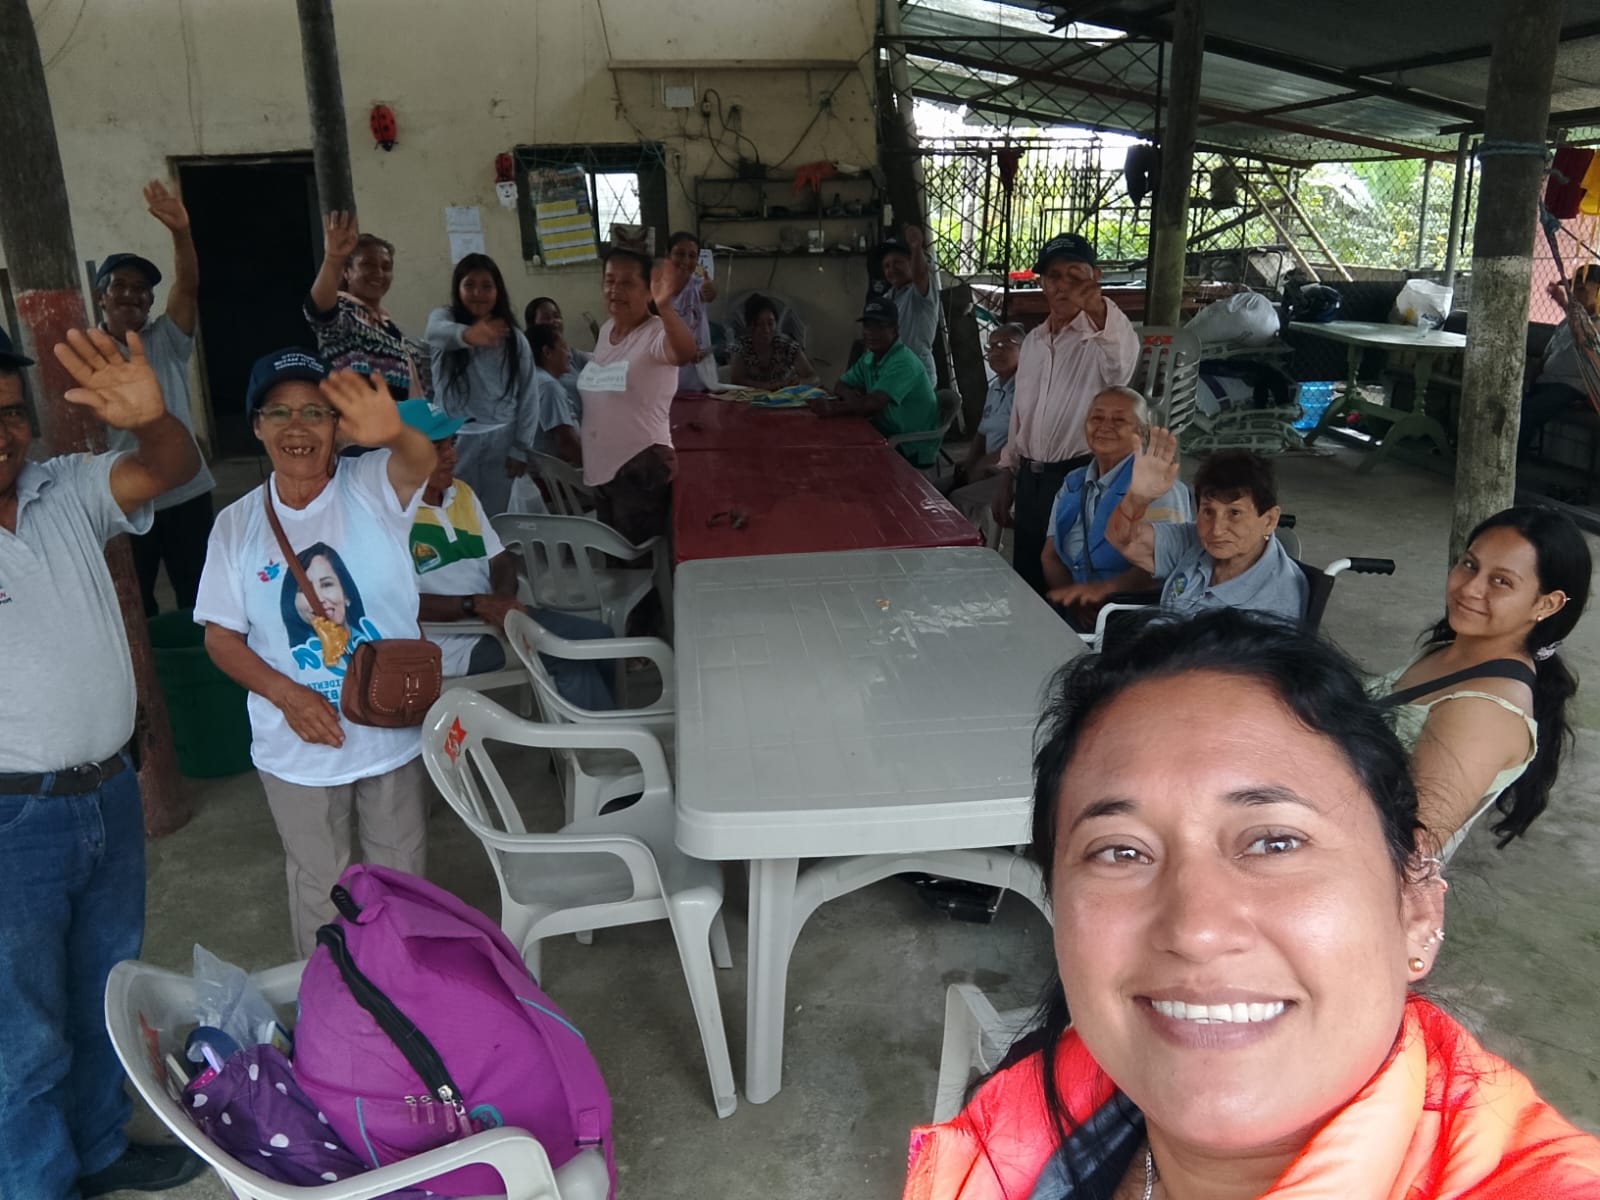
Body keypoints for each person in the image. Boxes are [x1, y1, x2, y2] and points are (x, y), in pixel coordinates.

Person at [903, 609, 1600, 1200]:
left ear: (1415, 907)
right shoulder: (1018, 1123)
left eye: (1273, 842)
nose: (1196, 929)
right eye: (1121, 851)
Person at [0, 325, 204, 1198]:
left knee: (101, 992)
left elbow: (169, 468)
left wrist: (153, 419)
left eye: (11, 412)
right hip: (12, 819)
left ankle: (95, 1148)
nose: (2, 434)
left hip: (107, 795)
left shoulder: (65, 488)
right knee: (19, 1030)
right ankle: (38, 1184)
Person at [195, 349, 437, 958]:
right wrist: (288, 696)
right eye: (278, 412)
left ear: (337, 427)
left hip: (389, 734)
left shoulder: (371, 485)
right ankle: (328, 995)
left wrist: (396, 431)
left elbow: (419, 459)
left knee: (401, 880)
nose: (296, 427)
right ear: (257, 427)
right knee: (318, 889)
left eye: (314, 412)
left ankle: (401, 992)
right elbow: (220, 636)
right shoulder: (236, 525)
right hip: (295, 748)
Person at [1371, 505, 1590, 860]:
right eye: (1470, 565)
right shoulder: (1447, 649)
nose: (1470, 588)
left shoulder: (1484, 712)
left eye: (1501, 581)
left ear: (1547, 604)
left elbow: (1409, 848)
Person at [399, 400, 615, 711]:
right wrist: (477, 605)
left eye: (452, 443)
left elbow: (499, 559)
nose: (452, 455)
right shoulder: (391, 516)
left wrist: (502, 602)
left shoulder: (461, 493)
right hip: (452, 643)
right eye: (437, 447)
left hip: (494, 620)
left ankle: (604, 729)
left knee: (600, 638)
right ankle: (597, 738)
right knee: (572, 656)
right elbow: (402, 605)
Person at [993, 233, 1140, 596]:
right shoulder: (1033, 342)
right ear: (1042, 284)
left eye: (1075, 275)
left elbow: (1121, 367)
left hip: (1076, 478)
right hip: (1030, 478)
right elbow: (1020, 415)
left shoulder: (1105, 336)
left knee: (1068, 575)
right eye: (1054, 277)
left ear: (1096, 278)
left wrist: (1098, 308)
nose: (1064, 286)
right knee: (1027, 577)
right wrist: (1007, 475)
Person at [98, 180, 217, 617]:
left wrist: (181, 233)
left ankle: (204, 658)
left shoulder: (167, 338)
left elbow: (187, 287)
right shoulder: (87, 350)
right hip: (125, 498)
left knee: (201, 598)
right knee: (134, 604)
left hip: (186, 493)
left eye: (142, 288)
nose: (131, 293)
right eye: (120, 285)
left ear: (151, 301)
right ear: (101, 296)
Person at [1106, 430, 1308, 622]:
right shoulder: (1194, 542)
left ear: (1270, 520)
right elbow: (1122, 538)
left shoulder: (1275, 601)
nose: (1216, 530)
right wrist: (1137, 499)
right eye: (1208, 511)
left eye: (1234, 513)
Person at [1042, 387, 1192, 627]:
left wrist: (1101, 593)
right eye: (1096, 418)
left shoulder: (1159, 487)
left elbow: (1164, 564)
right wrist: (1075, 601)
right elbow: (1050, 556)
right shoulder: (1073, 482)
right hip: (1074, 612)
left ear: (1142, 431)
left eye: (1119, 420)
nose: (1105, 426)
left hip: (1133, 618)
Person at [578, 249, 698, 543]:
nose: (615, 290)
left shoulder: (655, 333)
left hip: (640, 469)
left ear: (648, 291)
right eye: (609, 281)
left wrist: (665, 307)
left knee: (637, 560)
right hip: (604, 470)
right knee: (614, 556)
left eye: (627, 283)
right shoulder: (607, 330)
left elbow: (685, 352)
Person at [426, 253, 538, 518]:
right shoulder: (444, 321)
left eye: (487, 286)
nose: (478, 293)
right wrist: (467, 335)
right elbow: (434, 331)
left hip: (502, 441)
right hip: (454, 441)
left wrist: (521, 447)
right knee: (455, 513)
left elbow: (529, 395)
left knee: (495, 517)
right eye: (470, 285)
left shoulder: (513, 338)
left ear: (498, 291)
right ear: (458, 288)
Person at [304, 211, 428, 401]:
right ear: (346, 272)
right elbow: (319, 310)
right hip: (359, 419)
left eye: (386, 267)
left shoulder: (390, 326)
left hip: (403, 419)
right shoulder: (346, 314)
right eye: (368, 265)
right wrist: (333, 258)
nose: (379, 273)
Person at [810, 298, 940, 468]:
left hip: (910, 445)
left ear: (895, 329)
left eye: (879, 326)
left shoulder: (903, 362)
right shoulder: (870, 356)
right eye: (867, 326)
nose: (871, 333)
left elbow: (874, 404)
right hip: (883, 432)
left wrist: (833, 408)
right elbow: (841, 385)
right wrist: (854, 401)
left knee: (841, 459)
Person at [936, 324, 1022, 539]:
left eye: (1005, 345)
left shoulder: (1026, 390)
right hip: (989, 465)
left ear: (1025, 350)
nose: (996, 352)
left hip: (1014, 471)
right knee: (933, 491)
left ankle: (966, 549)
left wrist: (982, 465)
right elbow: (982, 433)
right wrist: (971, 462)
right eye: (991, 346)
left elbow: (1021, 442)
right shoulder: (995, 388)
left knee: (960, 500)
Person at [1521, 266, 1600, 453]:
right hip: (1547, 381)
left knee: (1528, 411)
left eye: (1581, 289)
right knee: (1510, 403)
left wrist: (1564, 303)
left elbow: (1585, 335)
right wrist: (1534, 373)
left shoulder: (1595, 324)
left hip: (1571, 388)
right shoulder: (1565, 322)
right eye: (1573, 290)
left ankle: (1511, 458)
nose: (1575, 295)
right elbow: (1549, 352)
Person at [877, 227, 939, 386]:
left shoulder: (920, 293)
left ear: (912, 262)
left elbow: (921, 274)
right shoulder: (887, 298)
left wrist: (916, 247)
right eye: (887, 266)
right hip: (892, 373)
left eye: (897, 263)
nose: (891, 269)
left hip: (917, 375)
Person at [729, 293, 816, 389]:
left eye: (770, 323)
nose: (766, 330)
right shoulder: (740, 347)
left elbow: (812, 377)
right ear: (750, 326)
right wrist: (770, 387)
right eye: (760, 324)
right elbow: (736, 381)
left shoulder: (787, 345)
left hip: (784, 396)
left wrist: (799, 383)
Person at [666, 231, 718, 391]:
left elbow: (710, 293)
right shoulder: (657, 290)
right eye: (680, 254)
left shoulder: (699, 285)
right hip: (668, 373)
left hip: (699, 377)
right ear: (668, 256)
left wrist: (711, 291)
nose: (686, 261)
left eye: (692, 256)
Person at [525, 295, 589, 420]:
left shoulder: (575, 357)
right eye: (546, 318)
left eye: (557, 316)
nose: (554, 321)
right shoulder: (535, 373)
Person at [527, 323, 583, 464]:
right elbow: (566, 443)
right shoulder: (549, 387)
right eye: (563, 348)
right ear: (547, 352)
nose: (569, 355)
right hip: (560, 474)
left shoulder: (533, 380)